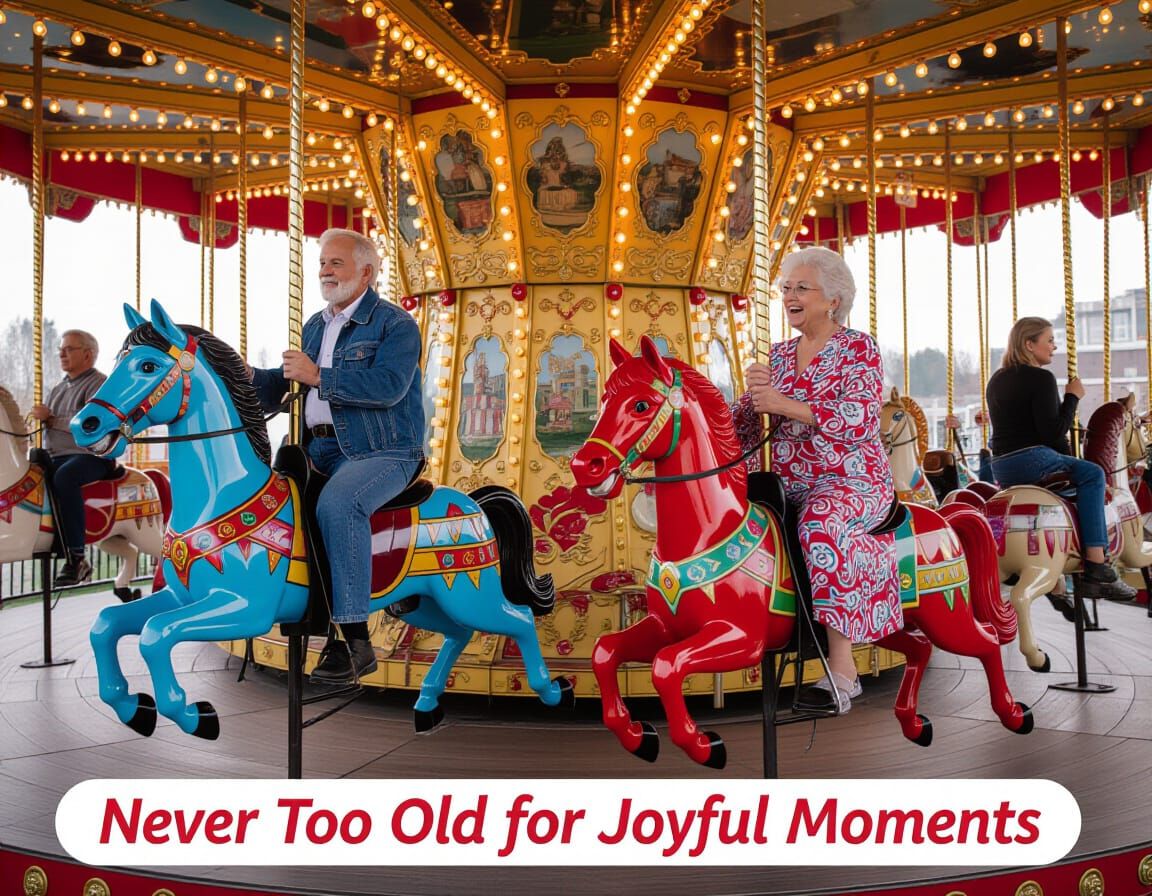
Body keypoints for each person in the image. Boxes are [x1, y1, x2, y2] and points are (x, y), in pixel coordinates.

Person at [251, 228, 425, 684]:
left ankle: (354, 640)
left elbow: (390, 386)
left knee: (338, 504)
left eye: (336, 263)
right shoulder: (314, 325)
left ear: (366, 271)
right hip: (319, 448)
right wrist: (241, 374)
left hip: (383, 449)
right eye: (323, 263)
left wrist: (319, 376)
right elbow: (293, 381)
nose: (325, 271)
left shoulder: (395, 324)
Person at [733, 246, 902, 713]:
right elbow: (750, 427)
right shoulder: (780, 355)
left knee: (820, 523)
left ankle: (843, 671)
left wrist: (781, 402)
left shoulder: (857, 348)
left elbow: (858, 419)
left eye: (801, 288)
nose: (789, 295)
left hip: (849, 479)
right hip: (789, 481)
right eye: (786, 288)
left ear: (833, 299)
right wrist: (747, 401)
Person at [986, 317, 1136, 600]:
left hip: (1002, 467)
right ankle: (1096, 562)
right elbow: (1053, 433)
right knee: (1093, 474)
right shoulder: (1041, 379)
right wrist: (1072, 398)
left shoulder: (997, 379)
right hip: (1032, 459)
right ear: (1029, 345)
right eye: (1050, 340)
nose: (1055, 347)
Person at [30, 330, 118, 587]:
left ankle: (77, 556)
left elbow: (92, 425)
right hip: (58, 456)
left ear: (88, 354)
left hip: (90, 456)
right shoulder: (59, 387)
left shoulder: (99, 384)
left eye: (69, 349)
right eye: (61, 348)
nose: (61, 353)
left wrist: (50, 419)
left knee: (65, 476)